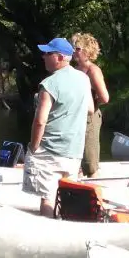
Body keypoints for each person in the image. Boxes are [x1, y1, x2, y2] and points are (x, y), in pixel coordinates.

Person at [23, 37, 93, 217]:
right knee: (67, 196)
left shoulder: (49, 84)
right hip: (74, 150)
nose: (43, 56)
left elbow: (40, 121)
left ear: (60, 57)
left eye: (48, 53)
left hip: (49, 150)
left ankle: (46, 229)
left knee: (47, 197)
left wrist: (33, 146)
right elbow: (91, 109)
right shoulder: (84, 79)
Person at [70, 32, 110, 177]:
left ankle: (95, 190)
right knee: (78, 159)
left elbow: (105, 98)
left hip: (90, 118)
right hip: (76, 118)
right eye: (73, 48)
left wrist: (90, 103)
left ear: (87, 51)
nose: (74, 52)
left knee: (90, 161)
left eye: (78, 49)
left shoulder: (93, 70)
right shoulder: (75, 70)